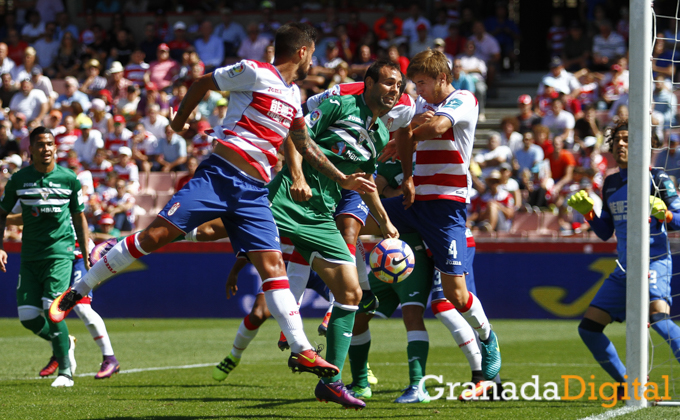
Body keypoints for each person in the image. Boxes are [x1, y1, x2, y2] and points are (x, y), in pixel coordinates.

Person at [49, 22, 374, 385]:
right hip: (219, 176)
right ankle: (78, 291)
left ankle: (303, 349)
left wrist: (342, 178)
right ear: (302, 52)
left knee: (273, 270)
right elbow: (203, 82)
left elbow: (304, 144)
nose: (314, 59)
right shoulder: (255, 72)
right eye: (313, 52)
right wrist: (179, 122)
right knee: (154, 237)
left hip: (254, 192)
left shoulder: (293, 95)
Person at [266, 59, 400, 410]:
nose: (394, 90)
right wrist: (296, 177)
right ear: (368, 82)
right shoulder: (339, 104)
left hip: (321, 216)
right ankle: (137, 242)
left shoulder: (382, 134)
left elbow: (365, 182)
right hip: (288, 198)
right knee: (210, 229)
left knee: (352, 291)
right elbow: (295, 137)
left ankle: (332, 382)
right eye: (388, 83)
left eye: (398, 85)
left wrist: (384, 221)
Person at [390, 49, 502, 387]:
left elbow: (437, 127)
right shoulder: (418, 106)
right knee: (350, 219)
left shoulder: (463, 99)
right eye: (415, 83)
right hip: (414, 202)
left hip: (446, 208)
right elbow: (405, 135)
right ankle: (345, 292)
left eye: (422, 83)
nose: (417, 90)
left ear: (442, 78)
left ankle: (487, 336)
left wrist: (409, 131)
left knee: (455, 295)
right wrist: (406, 174)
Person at [568, 120, 680, 395]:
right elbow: (606, 232)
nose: (620, 144)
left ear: (644, 144)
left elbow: (678, 219)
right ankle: (627, 382)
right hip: (624, 268)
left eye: (627, 139)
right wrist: (590, 214)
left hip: (654, 262)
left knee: (659, 319)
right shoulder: (610, 183)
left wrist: (664, 214)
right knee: (589, 329)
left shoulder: (659, 180)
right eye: (617, 140)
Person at [0, 127, 90, 387]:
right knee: (28, 316)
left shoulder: (69, 179)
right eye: (40, 144)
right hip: (29, 256)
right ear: (31, 150)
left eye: (50, 144)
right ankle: (65, 342)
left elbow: (79, 217)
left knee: (53, 311)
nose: (46, 149)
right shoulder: (19, 180)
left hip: (59, 254)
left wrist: (85, 254)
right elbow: (2, 213)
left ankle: (65, 373)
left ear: (55, 147)